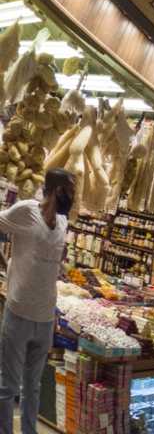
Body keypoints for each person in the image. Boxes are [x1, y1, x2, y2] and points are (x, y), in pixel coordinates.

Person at [0, 169, 75, 434]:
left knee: (32, 387)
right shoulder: (25, 211)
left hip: (45, 319)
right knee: (7, 387)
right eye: (70, 191)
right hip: (18, 312)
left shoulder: (64, 223)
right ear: (57, 190)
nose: (73, 197)